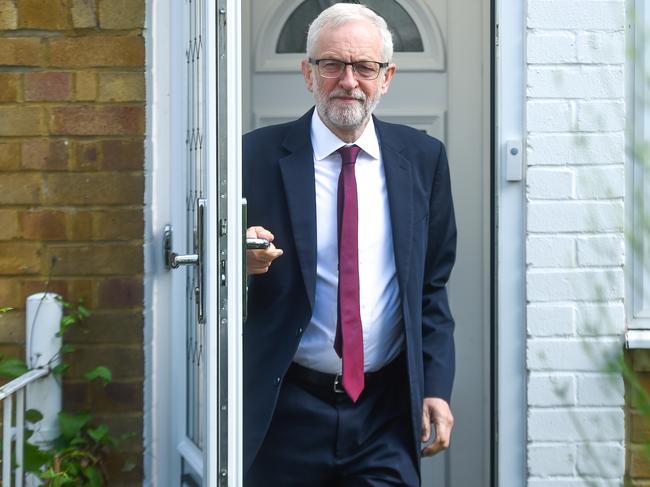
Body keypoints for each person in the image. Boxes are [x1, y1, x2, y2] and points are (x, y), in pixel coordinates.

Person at [242, 3, 456, 486]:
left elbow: (431, 288)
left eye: (364, 66)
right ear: (308, 73)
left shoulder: (423, 160)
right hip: (285, 409)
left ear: (387, 77)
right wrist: (239, 262)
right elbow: (209, 269)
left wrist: (436, 386)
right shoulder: (252, 157)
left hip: (384, 412)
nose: (348, 80)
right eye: (332, 64)